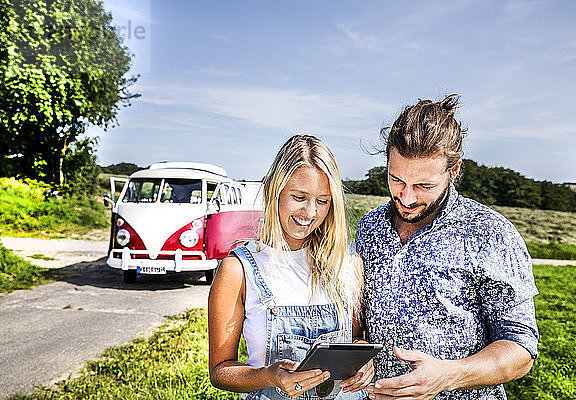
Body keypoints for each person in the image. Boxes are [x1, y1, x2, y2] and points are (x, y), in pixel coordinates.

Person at [355, 95, 539, 400]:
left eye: (424, 186)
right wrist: (358, 349)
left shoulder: (490, 232)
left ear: (453, 171)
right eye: (396, 179)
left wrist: (448, 376)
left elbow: (520, 348)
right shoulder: (369, 226)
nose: (407, 197)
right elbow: (360, 318)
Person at [209, 135, 372, 400]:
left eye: (323, 201)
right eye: (299, 196)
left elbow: (353, 340)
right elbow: (220, 371)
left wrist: (363, 360)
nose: (310, 212)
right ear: (275, 190)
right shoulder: (238, 269)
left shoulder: (348, 263)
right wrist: (269, 376)